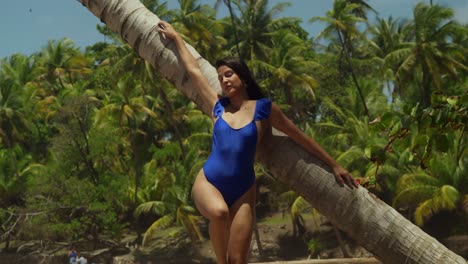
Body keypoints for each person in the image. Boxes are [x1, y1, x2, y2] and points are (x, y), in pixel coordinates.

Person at [157, 20, 359, 264]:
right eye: (220, 78)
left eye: (229, 74)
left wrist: (335, 164)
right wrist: (176, 37)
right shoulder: (217, 107)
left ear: (243, 76)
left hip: (244, 190)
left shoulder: (265, 109)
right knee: (219, 213)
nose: (224, 81)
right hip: (209, 181)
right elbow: (194, 71)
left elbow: (299, 136)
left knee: (239, 260)